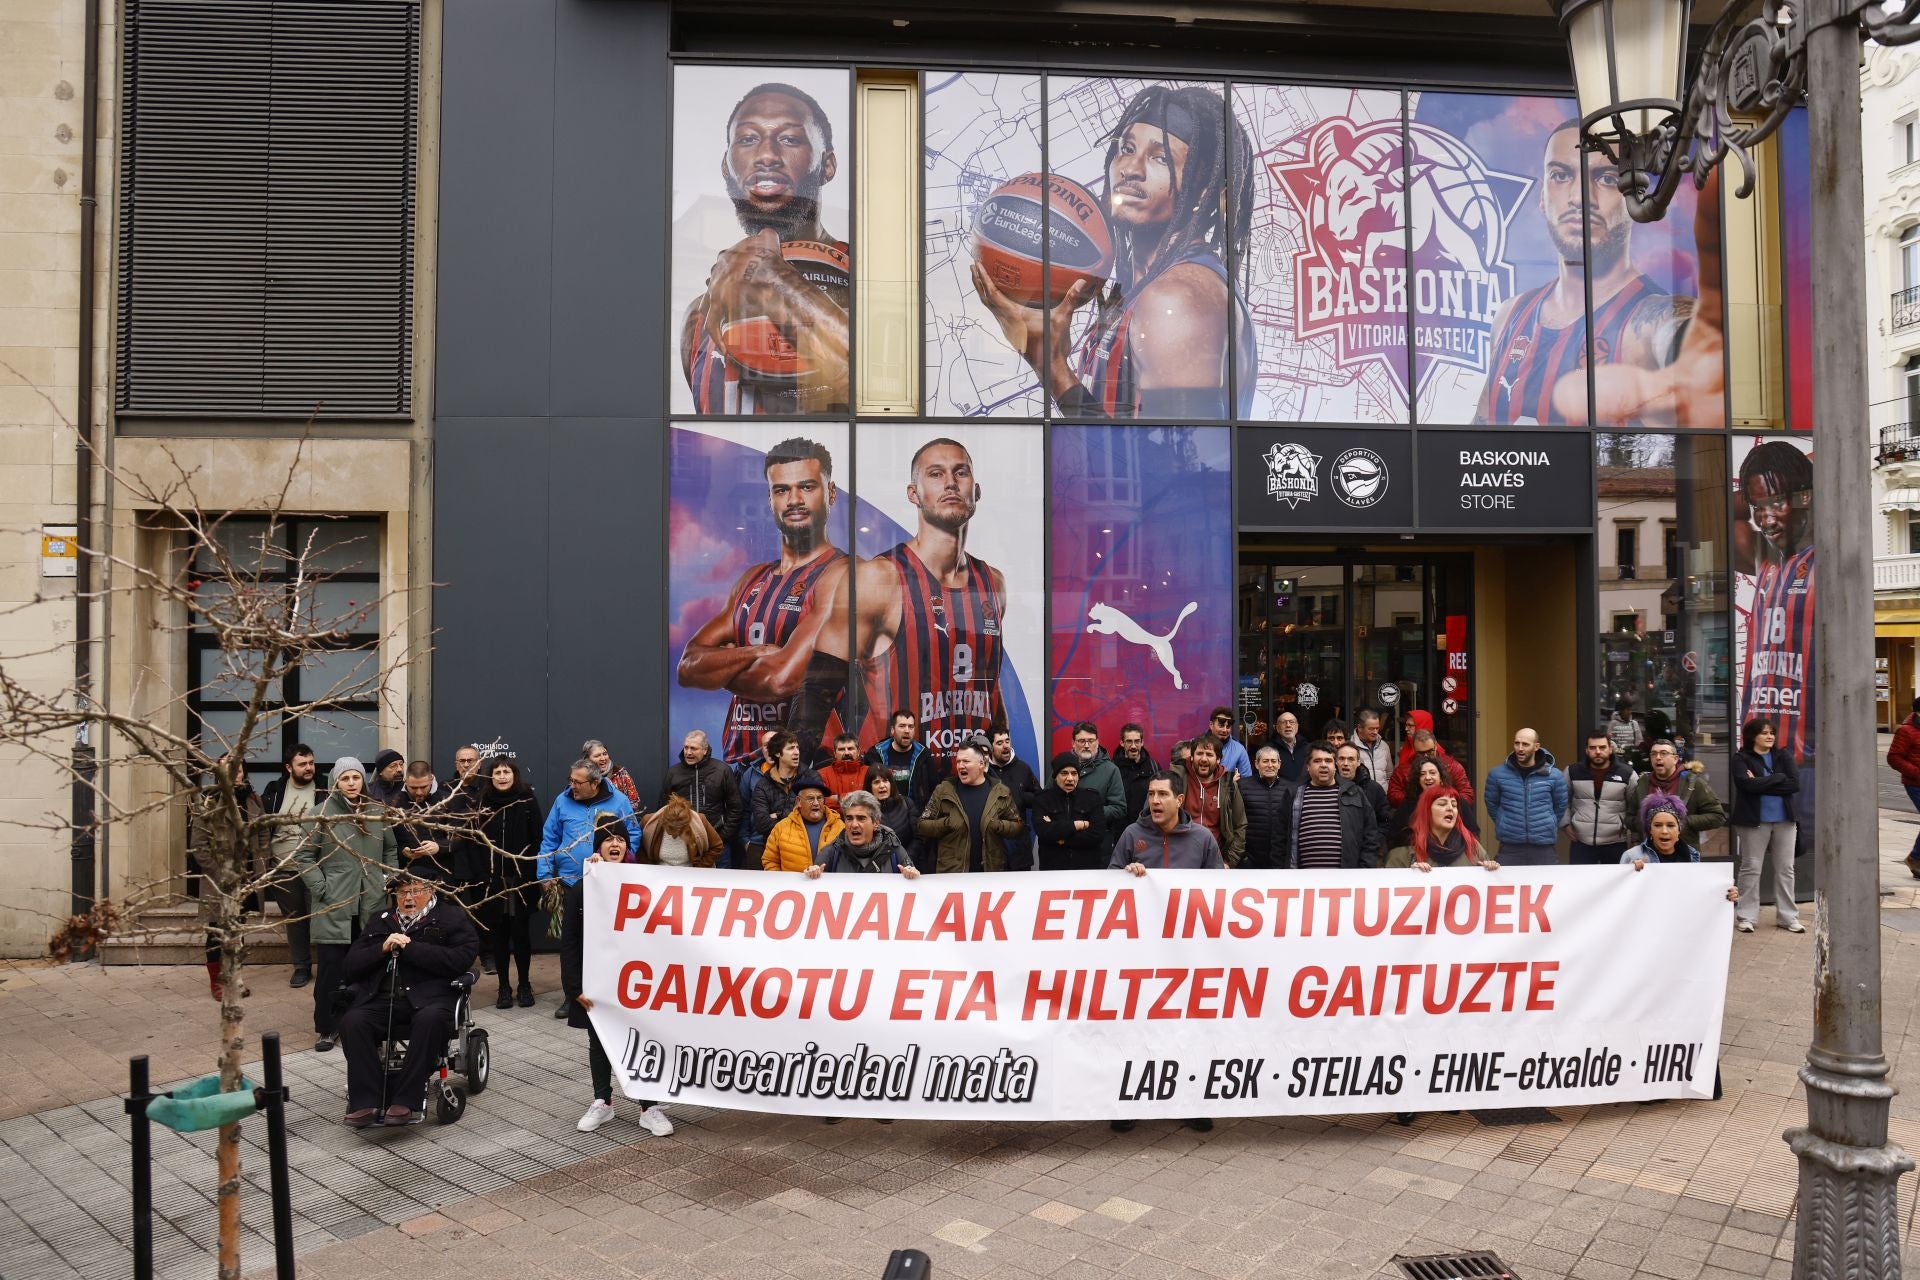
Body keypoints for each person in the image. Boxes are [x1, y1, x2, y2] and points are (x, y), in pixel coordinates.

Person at [974, 82, 1255, 421]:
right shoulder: (1142, 287)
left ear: (1201, 193)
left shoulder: (1175, 298)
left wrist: (1053, 368)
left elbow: (1179, 465)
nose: (1130, 169)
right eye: (1126, 148)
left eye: (1160, 157)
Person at [795, 438, 1009, 764]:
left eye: (960, 473)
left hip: (971, 781)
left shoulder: (991, 583)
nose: (951, 482)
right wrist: (793, 776)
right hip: (897, 786)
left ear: (975, 490)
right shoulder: (879, 577)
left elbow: (989, 688)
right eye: (936, 474)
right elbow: (818, 691)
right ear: (913, 493)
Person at [1476, 119, 1700, 427]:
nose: (1581, 197)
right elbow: (1479, 433)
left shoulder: (1650, 318)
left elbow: (1685, 333)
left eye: (1606, 178)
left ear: (1634, 195)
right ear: (1543, 197)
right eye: (1560, 175)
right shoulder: (1510, 316)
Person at [676, 438, 850, 766]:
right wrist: (756, 652)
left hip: (799, 770)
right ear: (770, 499)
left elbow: (780, 679)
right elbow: (687, 667)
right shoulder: (752, 579)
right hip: (737, 765)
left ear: (831, 493)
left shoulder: (842, 574)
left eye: (807, 487)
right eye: (782, 490)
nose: (794, 500)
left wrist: (720, 667)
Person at [680, 84, 848, 415]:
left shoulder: (869, 275)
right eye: (747, 139)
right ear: (727, 167)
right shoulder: (700, 317)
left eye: (789, 139)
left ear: (827, 165)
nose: (767, 155)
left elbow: (885, 399)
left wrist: (776, 283)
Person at [1108, 771, 1223, 1135]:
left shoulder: (1202, 839)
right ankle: (1130, 1102)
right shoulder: (1132, 835)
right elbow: (1108, 884)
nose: (1154, 801)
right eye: (1150, 794)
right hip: (1142, 952)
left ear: (1179, 800)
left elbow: (1218, 892)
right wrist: (1126, 875)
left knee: (1188, 1028)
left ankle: (1191, 1102)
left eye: (1162, 795)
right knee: (1137, 1027)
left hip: (1187, 954)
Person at [334, 869, 480, 1127]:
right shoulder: (381, 920)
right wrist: (381, 949)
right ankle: (367, 1100)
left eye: (415, 891)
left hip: (431, 999)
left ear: (431, 890)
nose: (408, 897)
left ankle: (407, 1100)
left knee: (430, 1020)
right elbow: (350, 966)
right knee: (352, 1021)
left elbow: (461, 959)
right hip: (383, 998)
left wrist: (411, 948)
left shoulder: (450, 918)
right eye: (402, 892)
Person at [567, 817, 676, 1137]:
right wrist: (573, 986)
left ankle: (649, 1106)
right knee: (598, 1041)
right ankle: (602, 1101)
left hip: (636, 983)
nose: (615, 844)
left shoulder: (642, 882)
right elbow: (570, 942)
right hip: (596, 984)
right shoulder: (583, 887)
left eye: (621, 840)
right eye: (608, 839)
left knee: (642, 1040)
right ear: (597, 846)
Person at [1735, 440, 1815, 824]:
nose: (1765, 519)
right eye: (1757, 509)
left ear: (1804, 498)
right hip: (1759, 757)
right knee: (1760, 860)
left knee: (1797, 857)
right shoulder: (1767, 569)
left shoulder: (1821, 567)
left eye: (1775, 503)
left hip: (1805, 760)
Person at [297, 757, 395, 1052]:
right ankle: (327, 1027)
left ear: (363, 780)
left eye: (356, 777)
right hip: (335, 905)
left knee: (370, 968)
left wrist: (386, 879)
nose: (351, 783)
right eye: (345, 778)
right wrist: (322, 888)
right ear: (335, 783)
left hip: (371, 903)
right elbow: (303, 858)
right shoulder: (320, 815)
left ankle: (367, 1024)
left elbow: (390, 849)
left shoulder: (378, 812)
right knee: (330, 970)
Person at [537, 758, 641, 1016]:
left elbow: (633, 834)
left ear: (595, 783)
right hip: (571, 882)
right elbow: (549, 838)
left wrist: (620, 863)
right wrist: (545, 874)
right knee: (571, 941)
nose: (571, 785)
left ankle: (607, 992)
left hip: (610, 884)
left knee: (604, 941)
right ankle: (571, 995)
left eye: (577, 782)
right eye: (570, 780)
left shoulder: (618, 801)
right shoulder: (562, 801)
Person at [475, 756, 542, 1010]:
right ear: (490, 777)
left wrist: (529, 871)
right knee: (499, 937)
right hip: (493, 882)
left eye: (506, 771)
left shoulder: (526, 799)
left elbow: (538, 837)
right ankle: (504, 987)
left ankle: (524, 984)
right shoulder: (483, 801)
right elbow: (476, 842)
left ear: (514, 774)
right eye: (497, 772)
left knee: (521, 935)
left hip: (520, 880)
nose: (502, 776)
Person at [1731, 717, 1803, 934]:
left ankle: (1788, 917)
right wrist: (1778, 779)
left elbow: (1795, 784)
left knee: (1786, 869)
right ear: (1753, 736)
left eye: (1771, 732)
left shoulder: (1782, 755)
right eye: (1764, 733)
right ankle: (1746, 916)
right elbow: (1744, 784)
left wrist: (1761, 783)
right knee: (1751, 868)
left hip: (1785, 821)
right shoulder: (1741, 758)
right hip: (1754, 821)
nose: (1770, 736)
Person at [261, 744, 322, 989]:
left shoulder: (324, 789)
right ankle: (301, 967)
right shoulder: (275, 791)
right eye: (302, 764)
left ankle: (328, 966)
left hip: (317, 868)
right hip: (283, 868)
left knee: (320, 919)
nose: (309, 768)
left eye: (311, 763)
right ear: (289, 767)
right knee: (295, 921)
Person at [916, 743, 1026, 874]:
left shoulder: (1000, 791)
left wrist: (999, 825)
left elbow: (1018, 826)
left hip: (990, 874)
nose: (960, 766)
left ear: (981, 764)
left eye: (966, 761)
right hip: (952, 875)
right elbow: (921, 826)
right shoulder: (943, 790)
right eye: (958, 761)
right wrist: (946, 824)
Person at [1285, 742, 1380, 870]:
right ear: (1308, 766)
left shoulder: (1354, 792)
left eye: (1328, 760)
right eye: (1317, 761)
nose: (1323, 765)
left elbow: (1370, 836)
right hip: (1303, 881)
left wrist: (1364, 870)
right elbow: (1279, 838)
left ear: (1335, 765)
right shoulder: (1293, 794)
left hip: (1347, 879)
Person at [1483, 728, 1567, 866]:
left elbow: (1560, 805)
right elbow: (1492, 804)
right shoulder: (1496, 774)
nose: (1520, 748)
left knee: (1546, 885)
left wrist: (1547, 822)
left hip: (1544, 846)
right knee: (1506, 886)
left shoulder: (1555, 776)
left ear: (1536, 747)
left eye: (1525, 744)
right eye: (1517, 743)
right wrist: (1503, 820)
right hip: (1510, 846)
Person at [1626, 739, 1727, 846]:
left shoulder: (1693, 783)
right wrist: (1644, 822)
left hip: (1683, 854)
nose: (1658, 757)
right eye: (1654, 754)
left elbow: (1718, 816)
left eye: (1663, 753)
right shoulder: (1643, 783)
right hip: (1650, 854)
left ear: (1675, 759)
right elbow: (1629, 818)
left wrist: (1684, 822)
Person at [661, 730, 743, 856]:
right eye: (686, 747)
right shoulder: (673, 773)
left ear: (705, 750)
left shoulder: (722, 771)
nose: (688, 752)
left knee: (719, 876)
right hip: (682, 843)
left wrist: (721, 837)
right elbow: (663, 808)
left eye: (693, 748)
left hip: (717, 843)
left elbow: (736, 808)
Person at [1565, 728, 1637, 866]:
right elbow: (1562, 802)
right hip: (1581, 843)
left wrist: (1633, 837)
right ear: (1587, 750)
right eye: (1593, 747)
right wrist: (1566, 824)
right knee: (1581, 885)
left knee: (1616, 885)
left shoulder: (1627, 774)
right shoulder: (1572, 772)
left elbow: (1635, 808)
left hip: (1615, 843)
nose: (1597, 751)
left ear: (1610, 749)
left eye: (1602, 747)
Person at [805, 791, 921, 877]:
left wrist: (911, 876)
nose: (854, 824)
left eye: (861, 818)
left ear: (876, 823)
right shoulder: (831, 852)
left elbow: (913, 891)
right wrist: (812, 874)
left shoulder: (895, 850)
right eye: (849, 818)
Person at [1170, 736, 1245, 866]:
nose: (1204, 759)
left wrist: (1228, 861)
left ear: (1218, 760)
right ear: (1192, 757)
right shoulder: (1176, 779)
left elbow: (1240, 826)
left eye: (1209, 754)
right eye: (1199, 753)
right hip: (1178, 858)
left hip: (1215, 860)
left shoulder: (1229, 785)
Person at [1385, 786, 1498, 872]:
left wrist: (1491, 871)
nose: (1450, 808)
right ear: (1427, 811)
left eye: (1454, 805)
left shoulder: (1472, 846)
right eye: (1442, 804)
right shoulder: (1405, 848)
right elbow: (1389, 892)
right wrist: (1410, 876)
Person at [1032, 752, 1110, 871]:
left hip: (1087, 871)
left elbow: (1097, 834)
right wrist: (1078, 825)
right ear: (1055, 775)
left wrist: (1061, 839)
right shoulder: (1042, 799)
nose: (1070, 778)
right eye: (1064, 773)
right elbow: (1043, 831)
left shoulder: (1092, 798)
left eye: (1074, 773)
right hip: (1053, 872)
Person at [863, 711, 941, 814]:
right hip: (883, 815)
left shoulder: (923, 755)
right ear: (892, 730)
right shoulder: (876, 754)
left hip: (915, 815)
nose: (907, 731)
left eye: (911, 727)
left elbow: (934, 789)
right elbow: (867, 789)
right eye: (902, 726)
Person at [761, 774, 843, 872]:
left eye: (820, 798)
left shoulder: (839, 826)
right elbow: (770, 861)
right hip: (792, 886)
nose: (816, 803)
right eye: (810, 798)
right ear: (799, 801)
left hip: (828, 886)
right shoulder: (781, 827)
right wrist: (781, 883)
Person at [1064, 721, 1128, 844]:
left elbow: (1119, 808)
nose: (1087, 745)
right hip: (1065, 842)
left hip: (1097, 843)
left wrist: (1089, 811)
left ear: (1097, 742)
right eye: (1082, 741)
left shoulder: (1111, 770)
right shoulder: (1061, 766)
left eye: (1091, 741)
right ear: (1073, 743)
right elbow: (1048, 799)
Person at [987, 729, 1041, 872]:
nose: (1006, 746)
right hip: (993, 852)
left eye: (1007, 741)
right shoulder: (984, 772)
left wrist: (1021, 796)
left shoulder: (1023, 768)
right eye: (999, 743)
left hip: (1019, 851)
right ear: (991, 747)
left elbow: (1040, 799)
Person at [748, 730, 805, 863]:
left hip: (802, 848)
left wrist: (777, 815)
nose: (796, 752)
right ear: (778, 754)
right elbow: (762, 824)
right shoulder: (762, 784)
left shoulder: (810, 778)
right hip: (769, 846)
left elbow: (811, 814)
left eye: (797, 748)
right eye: (791, 748)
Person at [1386, 727, 1476, 808]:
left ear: (1436, 745)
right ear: (1414, 749)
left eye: (1430, 752)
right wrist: (1416, 803)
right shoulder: (1403, 769)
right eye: (1421, 753)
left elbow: (1467, 794)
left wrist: (1448, 804)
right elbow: (1393, 795)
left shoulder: (1452, 766)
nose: (1426, 756)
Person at [1241, 745, 1290, 870]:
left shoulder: (1290, 789)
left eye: (1273, 761)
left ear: (1279, 764)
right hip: (1249, 860)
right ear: (1257, 764)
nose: (1270, 765)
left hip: (1280, 860)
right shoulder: (1241, 786)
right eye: (1265, 761)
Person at [643, 794, 723, 868]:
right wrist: (650, 869)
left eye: (679, 832)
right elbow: (639, 848)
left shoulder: (699, 821)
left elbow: (717, 846)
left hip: (690, 876)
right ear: (663, 822)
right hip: (660, 875)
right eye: (669, 831)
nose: (674, 836)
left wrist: (700, 868)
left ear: (687, 825)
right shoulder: (650, 823)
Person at [1335, 742, 1393, 842]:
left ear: (1358, 762)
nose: (1345, 763)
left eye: (1351, 759)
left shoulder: (1374, 789)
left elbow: (1385, 822)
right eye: (1341, 758)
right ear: (1336, 762)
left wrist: (1373, 843)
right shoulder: (1329, 788)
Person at [1889, 696, 1920, 874]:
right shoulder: (1906, 731)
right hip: (1915, 783)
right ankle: (1915, 858)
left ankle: (1916, 858)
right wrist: (1916, 773)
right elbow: (1893, 757)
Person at [1389, 758, 1448, 850]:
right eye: (1422, 774)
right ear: (1418, 780)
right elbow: (1395, 839)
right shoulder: (1408, 805)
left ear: (1441, 778)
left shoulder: (1454, 802)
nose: (1428, 777)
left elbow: (1472, 833)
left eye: (1432, 773)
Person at [1110, 723, 1159, 828]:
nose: (1133, 746)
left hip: (1147, 828)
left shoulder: (1153, 766)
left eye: (1137, 741)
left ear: (1142, 742)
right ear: (1122, 743)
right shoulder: (1112, 768)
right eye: (1129, 741)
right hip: (1120, 831)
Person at [864, 765, 917, 851]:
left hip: (908, 861)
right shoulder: (863, 810)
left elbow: (917, 838)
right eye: (876, 782)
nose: (882, 786)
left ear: (891, 784)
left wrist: (906, 859)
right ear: (869, 787)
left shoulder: (907, 803)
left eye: (885, 781)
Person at [582, 739, 642, 812]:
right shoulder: (581, 778)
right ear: (587, 760)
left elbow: (634, 802)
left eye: (605, 754)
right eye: (597, 756)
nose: (603, 758)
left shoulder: (621, 774)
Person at [818, 733, 871, 811]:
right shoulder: (821, 774)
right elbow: (819, 803)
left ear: (858, 751)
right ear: (834, 753)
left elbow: (874, 801)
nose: (846, 753)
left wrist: (838, 798)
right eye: (841, 749)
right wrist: (859, 800)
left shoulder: (869, 772)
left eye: (850, 749)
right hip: (833, 821)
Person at [1204, 707, 1252, 778]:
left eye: (1228, 726)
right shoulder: (1196, 745)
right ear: (1211, 725)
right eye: (1221, 725)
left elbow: (1247, 780)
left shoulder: (1239, 750)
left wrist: (1232, 784)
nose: (1225, 730)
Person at [1353, 710, 1394, 785]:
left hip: (1382, 795)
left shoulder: (1384, 746)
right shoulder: (1351, 747)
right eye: (1371, 729)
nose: (1375, 732)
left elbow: (1389, 775)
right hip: (1361, 795)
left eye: (1377, 728)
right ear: (1359, 728)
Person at [1269, 711, 1307, 783]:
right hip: (1280, 792)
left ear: (1297, 726)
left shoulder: (1308, 748)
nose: (1288, 725)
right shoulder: (1269, 750)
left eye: (1291, 722)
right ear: (1277, 728)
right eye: (1283, 722)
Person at [1607, 698, 1646, 764]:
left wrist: (1634, 751)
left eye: (1630, 709)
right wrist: (1620, 751)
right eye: (1627, 710)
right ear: (1621, 711)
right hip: (1618, 759)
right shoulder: (1613, 724)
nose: (1629, 712)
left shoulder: (1634, 723)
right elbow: (1610, 742)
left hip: (1632, 758)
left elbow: (1639, 742)